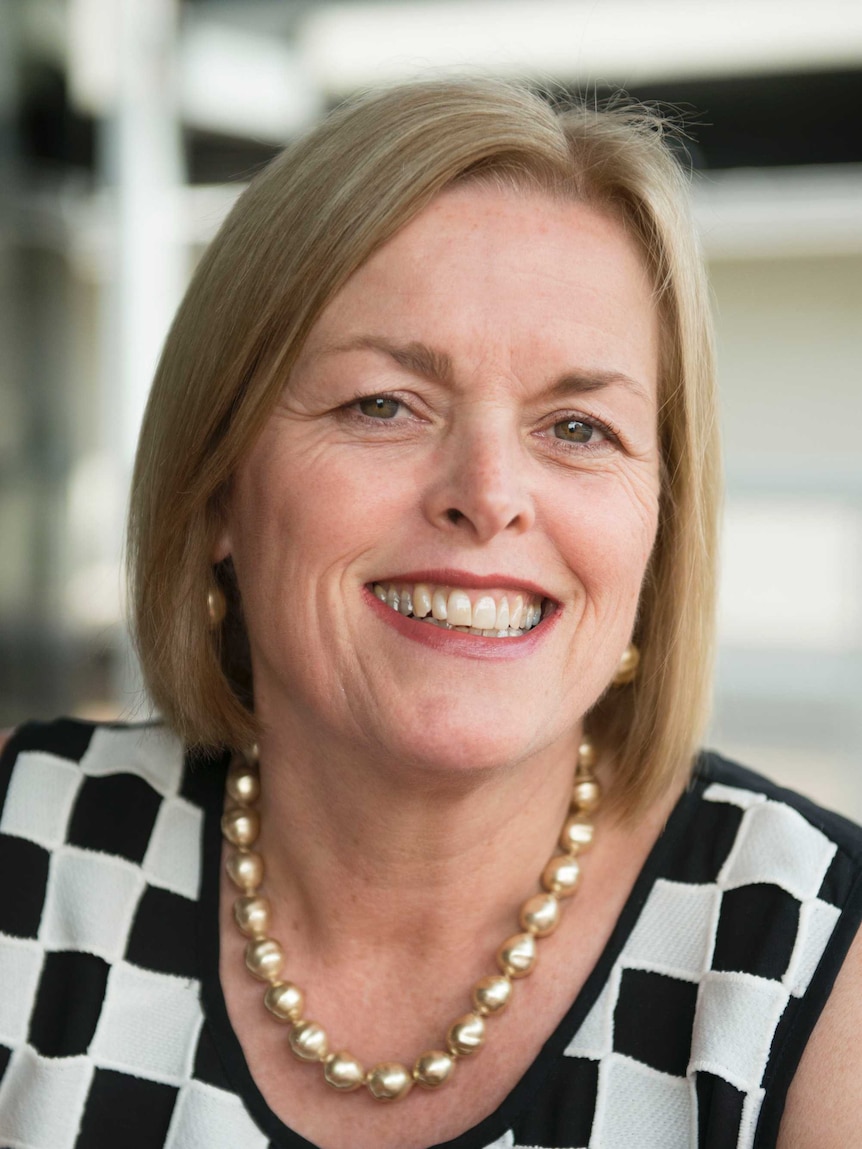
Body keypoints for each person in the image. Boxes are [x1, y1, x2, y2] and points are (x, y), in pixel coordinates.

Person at [0, 77, 860, 1149]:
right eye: (382, 405)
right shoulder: (26, 847)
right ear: (218, 484)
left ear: (659, 521)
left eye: (579, 427)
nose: (488, 493)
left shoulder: (812, 965)